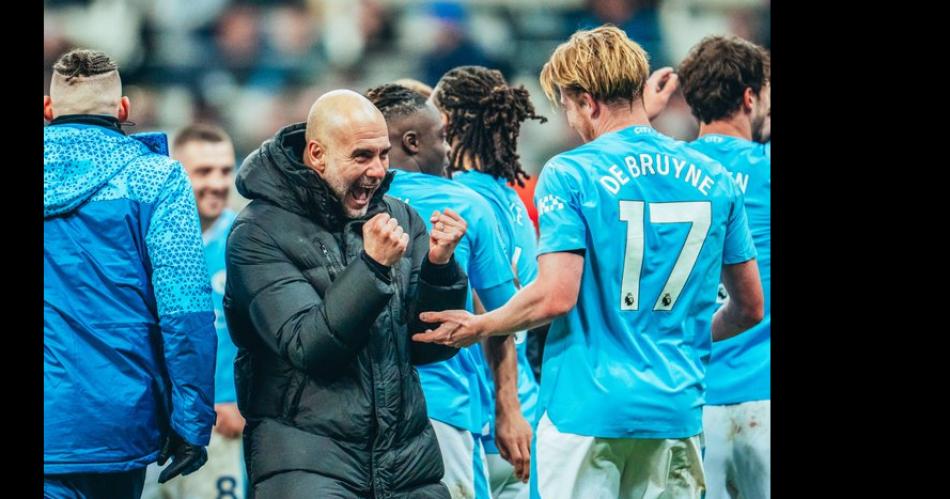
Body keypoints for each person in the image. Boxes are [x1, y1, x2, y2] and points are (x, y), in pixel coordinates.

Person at [414, 25, 765, 499]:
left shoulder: (572, 171)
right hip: (677, 410)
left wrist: (481, 325)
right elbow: (749, 308)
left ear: (587, 101)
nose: (571, 119)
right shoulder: (714, 176)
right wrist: (680, 337)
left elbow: (556, 296)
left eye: (568, 104)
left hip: (586, 413)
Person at [223, 89, 469, 498]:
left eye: (383, 154)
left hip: (408, 466)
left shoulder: (399, 216)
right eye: (361, 156)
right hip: (307, 466)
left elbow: (428, 347)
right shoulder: (257, 234)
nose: (377, 171)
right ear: (317, 154)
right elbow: (311, 349)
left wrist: (439, 271)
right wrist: (371, 268)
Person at [44, 48, 215, 498]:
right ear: (123, 109)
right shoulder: (155, 180)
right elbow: (187, 311)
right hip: (118, 424)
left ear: (47, 110)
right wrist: (192, 422)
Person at [367, 82, 523, 499]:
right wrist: (508, 409)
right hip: (444, 404)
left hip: (361, 411)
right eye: (441, 138)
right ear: (412, 141)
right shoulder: (465, 204)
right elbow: (506, 315)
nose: (449, 150)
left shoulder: (350, 203)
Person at [428, 66, 547, 499]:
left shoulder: (455, 200)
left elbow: (486, 308)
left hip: (483, 410)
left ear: (447, 124)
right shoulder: (515, 198)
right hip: (526, 409)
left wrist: (504, 403)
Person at [678, 34, 772, 499]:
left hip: (688, 399)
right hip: (765, 392)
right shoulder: (766, 165)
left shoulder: (664, 173)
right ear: (750, 98)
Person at [144, 123, 248, 499]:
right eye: (204, 171)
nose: (218, 183)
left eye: (225, 170)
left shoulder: (247, 241)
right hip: (154, 425)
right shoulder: (145, 240)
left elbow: (260, 334)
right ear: (176, 171)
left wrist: (236, 400)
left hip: (222, 425)